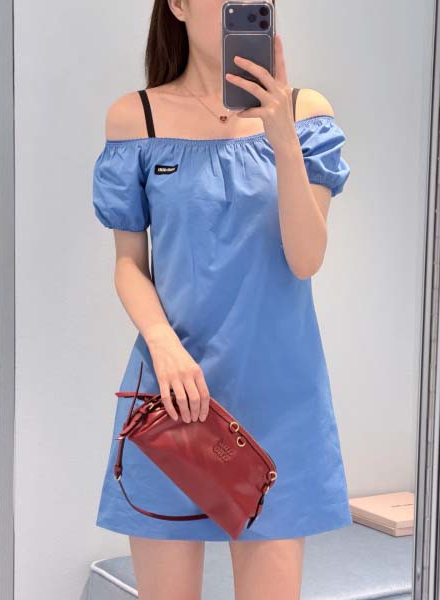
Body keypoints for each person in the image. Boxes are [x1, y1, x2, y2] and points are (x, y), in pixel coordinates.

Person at [92, 1, 352, 598]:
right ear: (179, 5)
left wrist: (282, 138)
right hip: (174, 399)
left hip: (279, 403)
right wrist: (162, 344)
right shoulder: (136, 119)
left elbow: (306, 258)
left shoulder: (306, 114)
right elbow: (129, 264)